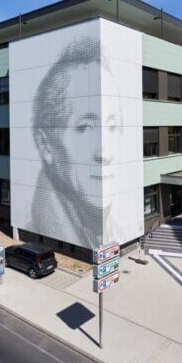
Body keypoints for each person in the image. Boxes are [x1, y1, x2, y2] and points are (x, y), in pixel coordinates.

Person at [28, 36, 124, 251]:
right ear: (46, 144)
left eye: (112, 126)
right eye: (85, 127)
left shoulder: (111, 226)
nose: (105, 153)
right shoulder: (35, 222)